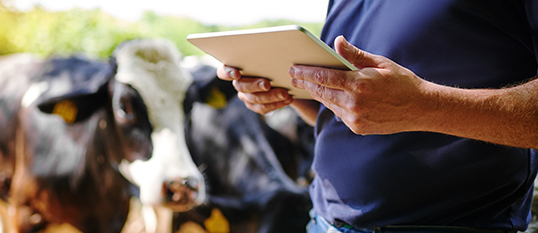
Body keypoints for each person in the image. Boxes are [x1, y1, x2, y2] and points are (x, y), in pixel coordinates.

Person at [217, 0, 538, 232]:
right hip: (323, 222)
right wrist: (290, 91)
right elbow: (358, 112)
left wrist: (424, 105)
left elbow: (400, 106)